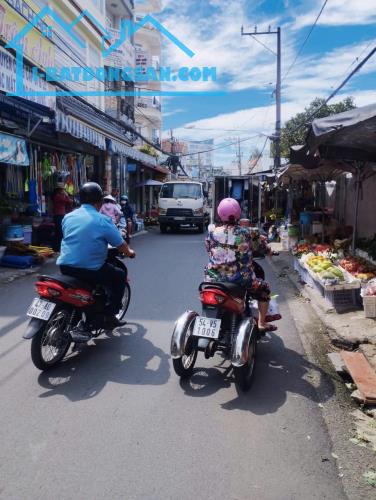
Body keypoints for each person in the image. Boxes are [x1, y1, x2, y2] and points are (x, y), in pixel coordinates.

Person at [57, 182, 136, 341]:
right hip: (90, 270)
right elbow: (120, 244)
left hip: (65, 267)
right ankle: (109, 314)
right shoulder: (103, 221)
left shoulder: (68, 217)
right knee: (119, 275)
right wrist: (130, 252)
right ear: (99, 202)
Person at [205, 198, 276, 333]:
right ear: (238, 214)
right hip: (240, 278)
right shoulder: (248, 232)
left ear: (220, 213)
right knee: (264, 289)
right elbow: (260, 248)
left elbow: (209, 249)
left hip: (212, 277)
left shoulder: (212, 232)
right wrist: (268, 250)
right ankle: (261, 322)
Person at [52, 182, 72, 252]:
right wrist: (66, 195)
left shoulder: (58, 196)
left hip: (60, 215)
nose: (63, 191)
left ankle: (57, 248)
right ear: (59, 190)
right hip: (59, 215)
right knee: (59, 233)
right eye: (62, 190)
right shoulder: (58, 196)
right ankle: (57, 248)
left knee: (59, 232)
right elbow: (68, 201)